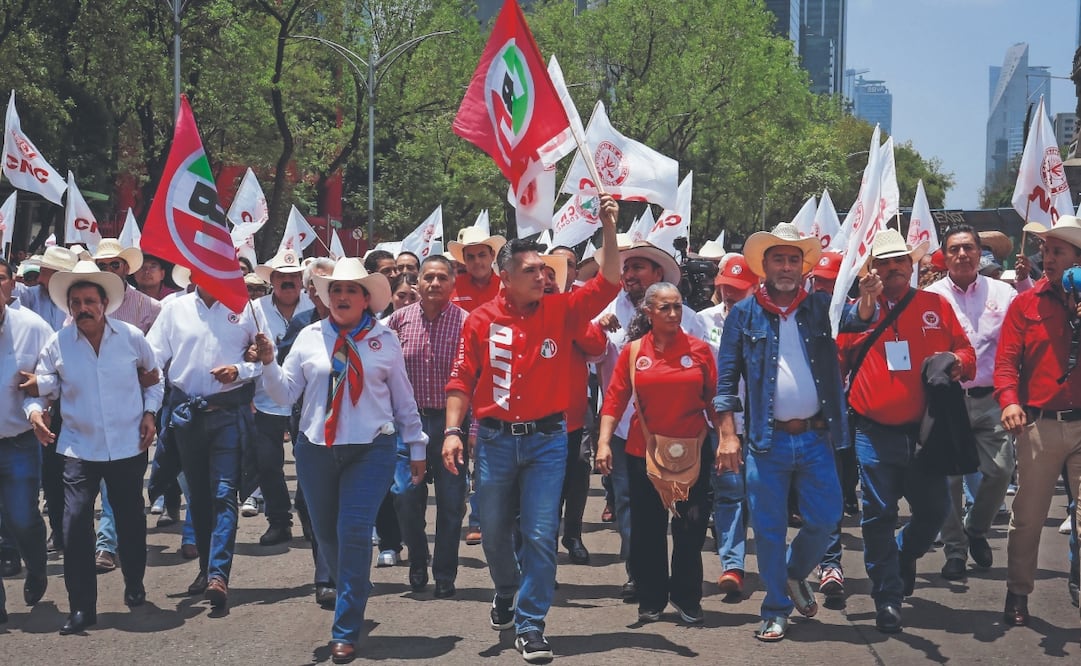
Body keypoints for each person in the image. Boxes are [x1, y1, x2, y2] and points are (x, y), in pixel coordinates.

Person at [442, 194, 621, 663]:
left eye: (545, 269)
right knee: (496, 532)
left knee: (541, 534)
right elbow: (461, 379)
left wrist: (607, 227)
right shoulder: (480, 320)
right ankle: (506, 587)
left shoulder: (561, 310)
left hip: (548, 441)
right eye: (532, 271)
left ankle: (531, 624)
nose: (543, 276)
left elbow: (609, 282)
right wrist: (451, 431)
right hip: (496, 442)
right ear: (505, 276)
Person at [255, 258, 427, 664]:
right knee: (327, 537)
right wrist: (266, 363)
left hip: (371, 449)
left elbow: (403, 400)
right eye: (336, 290)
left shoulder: (384, 340)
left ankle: (345, 627)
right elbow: (284, 395)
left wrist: (417, 446)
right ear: (326, 297)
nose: (343, 296)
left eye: (352, 290)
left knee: (353, 532)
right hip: (316, 449)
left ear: (366, 299)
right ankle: (353, 584)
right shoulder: (309, 337)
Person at [714, 223, 849, 641]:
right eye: (779, 259)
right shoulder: (743, 314)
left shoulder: (823, 307)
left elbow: (863, 316)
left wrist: (869, 300)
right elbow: (725, 384)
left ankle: (791, 574)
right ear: (764, 266)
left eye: (794, 259)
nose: (787, 266)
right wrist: (727, 435)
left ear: (802, 265)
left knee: (827, 518)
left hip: (816, 436)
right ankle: (775, 608)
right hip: (764, 440)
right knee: (769, 529)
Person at [839, 228, 975, 634]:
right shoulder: (856, 312)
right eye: (885, 262)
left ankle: (904, 553)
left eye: (901, 260)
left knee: (934, 510)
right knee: (878, 515)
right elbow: (836, 362)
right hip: (873, 432)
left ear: (912, 265)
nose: (894, 267)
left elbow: (967, 353)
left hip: (926, 433)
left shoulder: (936, 305)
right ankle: (888, 597)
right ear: (873, 270)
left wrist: (956, 361)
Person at [23, 261, 162, 634]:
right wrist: (35, 413)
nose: (83, 308)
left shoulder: (132, 337)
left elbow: (154, 379)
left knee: (131, 522)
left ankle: (134, 584)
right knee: (73, 526)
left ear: (105, 304)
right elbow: (42, 389)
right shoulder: (59, 343)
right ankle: (82, 607)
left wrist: (150, 413)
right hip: (77, 450)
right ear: (69, 307)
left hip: (127, 447)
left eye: (90, 301)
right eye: (76, 302)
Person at [597, 281, 717, 625]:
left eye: (678, 306)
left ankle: (687, 597)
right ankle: (651, 598)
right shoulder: (634, 352)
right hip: (643, 452)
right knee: (648, 529)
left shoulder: (699, 350)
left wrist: (727, 439)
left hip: (692, 450)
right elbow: (615, 399)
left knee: (691, 527)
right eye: (664, 307)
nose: (673, 313)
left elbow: (714, 400)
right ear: (648, 313)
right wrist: (604, 442)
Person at [147, 276, 265, 610]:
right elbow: (153, 358)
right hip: (187, 417)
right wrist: (149, 404)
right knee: (197, 497)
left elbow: (262, 360)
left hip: (228, 415)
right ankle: (204, 569)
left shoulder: (247, 309)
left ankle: (218, 575)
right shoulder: (174, 310)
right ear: (193, 272)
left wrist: (239, 370)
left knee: (224, 494)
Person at [995, 215, 1081, 627]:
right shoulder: (1024, 303)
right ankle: (1018, 591)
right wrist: (1010, 401)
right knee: (1028, 516)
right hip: (1040, 426)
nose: (1047, 258)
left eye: (1057, 252)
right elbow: (1006, 362)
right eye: (1045, 250)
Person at [924, 225, 1016, 582]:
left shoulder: (1003, 293)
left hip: (992, 398)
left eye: (968, 248)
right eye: (954, 249)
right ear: (944, 256)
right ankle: (955, 550)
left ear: (980, 253)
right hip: (947, 402)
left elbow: (1015, 344)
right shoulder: (931, 297)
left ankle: (976, 529)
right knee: (948, 481)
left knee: (1001, 470)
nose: (962, 255)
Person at [386, 255, 469, 598]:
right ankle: (418, 560)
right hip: (409, 424)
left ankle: (445, 572)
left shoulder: (468, 323)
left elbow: (475, 380)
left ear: (453, 283)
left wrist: (471, 432)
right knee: (405, 495)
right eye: (428, 278)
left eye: (441, 278)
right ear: (417, 282)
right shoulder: (396, 322)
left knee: (451, 504)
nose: (434, 284)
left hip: (452, 428)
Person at [90, 239, 163, 573]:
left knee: (124, 485)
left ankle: (114, 544)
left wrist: (150, 407)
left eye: (114, 265)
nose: (108, 271)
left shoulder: (149, 307)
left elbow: (155, 367)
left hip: (132, 408)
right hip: (89, 410)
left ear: (126, 268)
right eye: (102, 266)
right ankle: (107, 543)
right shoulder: (81, 305)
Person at [696, 253, 757, 596]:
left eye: (737, 288)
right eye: (724, 288)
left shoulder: (767, 321)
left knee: (755, 496)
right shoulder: (702, 321)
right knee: (729, 493)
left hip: (762, 423)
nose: (730, 294)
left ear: (754, 287)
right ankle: (733, 564)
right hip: (717, 424)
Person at [0, 258, 53, 625]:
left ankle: (36, 566)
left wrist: (39, 398)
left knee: (21, 519)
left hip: (19, 440)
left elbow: (52, 374)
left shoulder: (32, 327)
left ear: (11, 285)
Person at [245, 250, 308, 546]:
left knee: (309, 463)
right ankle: (279, 520)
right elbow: (242, 347)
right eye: (281, 276)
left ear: (301, 279)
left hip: (307, 401)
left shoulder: (315, 305)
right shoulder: (254, 308)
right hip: (265, 398)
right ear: (271, 280)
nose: (288, 281)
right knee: (267, 464)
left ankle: (310, 517)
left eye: (293, 276)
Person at [447, 226, 505, 313]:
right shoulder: (451, 287)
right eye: (470, 257)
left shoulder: (506, 288)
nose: (477, 261)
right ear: (464, 259)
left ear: (492, 255)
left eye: (482, 255)